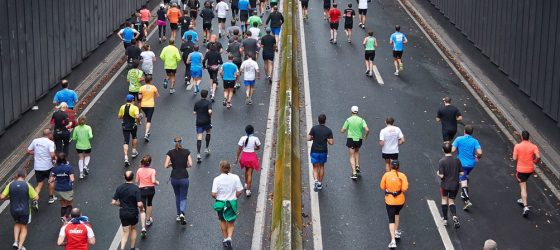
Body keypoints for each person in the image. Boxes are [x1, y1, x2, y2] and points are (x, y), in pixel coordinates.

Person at [0, 171, 39, 250]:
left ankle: (15, 241)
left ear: (17, 176)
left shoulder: (10, 184)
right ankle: (20, 247)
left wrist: (8, 198)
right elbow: (36, 197)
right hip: (25, 210)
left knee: (17, 223)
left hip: (13, 210)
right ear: (24, 176)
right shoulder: (27, 185)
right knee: (24, 227)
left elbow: (1, 197)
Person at [211, 161, 243, 249]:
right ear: (229, 168)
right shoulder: (235, 177)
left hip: (221, 203)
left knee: (222, 221)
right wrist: (236, 196)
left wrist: (217, 197)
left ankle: (225, 239)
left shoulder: (217, 179)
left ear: (220, 168)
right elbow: (240, 190)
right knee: (231, 222)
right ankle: (229, 238)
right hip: (231, 203)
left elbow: (213, 194)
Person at [452, 125, 482, 210]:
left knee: (463, 181)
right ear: (471, 132)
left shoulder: (459, 139)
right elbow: (480, 152)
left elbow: (452, 150)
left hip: (461, 164)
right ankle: (463, 191)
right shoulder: (475, 141)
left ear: (464, 131)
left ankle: (467, 200)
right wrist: (477, 157)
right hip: (471, 164)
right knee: (465, 176)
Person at [380, 160, 408, 249]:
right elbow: (404, 188)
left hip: (390, 201)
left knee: (391, 219)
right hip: (400, 201)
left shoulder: (386, 175)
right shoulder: (402, 176)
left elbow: (382, 187)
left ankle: (393, 241)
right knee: (397, 214)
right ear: (398, 167)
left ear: (391, 166)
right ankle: (396, 231)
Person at [112, 171, 143, 250]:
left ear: (124, 177)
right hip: (133, 213)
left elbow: (113, 202)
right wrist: (142, 209)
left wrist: (121, 205)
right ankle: (132, 248)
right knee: (133, 229)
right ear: (133, 177)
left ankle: (122, 248)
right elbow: (139, 204)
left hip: (123, 213)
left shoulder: (119, 188)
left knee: (125, 232)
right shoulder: (136, 188)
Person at [164, 136, 193, 224]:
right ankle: (182, 213)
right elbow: (190, 164)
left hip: (174, 178)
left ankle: (178, 214)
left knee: (177, 196)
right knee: (183, 197)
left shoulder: (170, 153)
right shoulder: (187, 152)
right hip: (184, 177)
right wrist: (184, 165)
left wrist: (172, 164)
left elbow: (166, 165)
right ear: (181, 142)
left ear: (174, 143)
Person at [513, 130, 540, 217]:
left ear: (522, 137)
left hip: (521, 170)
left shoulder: (517, 146)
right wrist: (535, 161)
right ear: (529, 137)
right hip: (530, 169)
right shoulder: (533, 146)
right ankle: (522, 199)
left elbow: (514, 158)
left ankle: (525, 206)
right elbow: (538, 156)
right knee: (524, 183)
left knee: (523, 187)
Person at [27, 128, 57, 206]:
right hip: (48, 166)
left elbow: (28, 151)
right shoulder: (50, 143)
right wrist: (54, 159)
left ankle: (35, 199)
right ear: (49, 134)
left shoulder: (35, 141)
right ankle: (51, 197)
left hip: (37, 167)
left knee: (39, 184)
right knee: (51, 181)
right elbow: (52, 155)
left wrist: (35, 153)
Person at [437, 142, 462, 228]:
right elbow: (462, 173)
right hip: (455, 185)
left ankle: (445, 219)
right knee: (451, 201)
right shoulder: (457, 160)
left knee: (444, 200)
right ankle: (454, 216)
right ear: (452, 150)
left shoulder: (442, 161)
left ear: (443, 150)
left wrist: (438, 173)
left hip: (445, 185)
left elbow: (442, 175)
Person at [340, 106, 369, 180]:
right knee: (357, 151)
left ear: (351, 111)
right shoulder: (361, 120)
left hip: (351, 139)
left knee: (351, 155)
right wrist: (365, 136)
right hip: (359, 139)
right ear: (357, 111)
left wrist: (344, 130)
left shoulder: (348, 120)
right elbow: (367, 129)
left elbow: (342, 130)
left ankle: (354, 172)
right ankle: (357, 165)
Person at [307, 114, 334, 192]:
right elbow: (331, 142)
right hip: (323, 151)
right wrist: (328, 139)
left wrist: (312, 137)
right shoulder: (328, 130)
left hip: (314, 150)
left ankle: (315, 180)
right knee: (322, 166)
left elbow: (308, 138)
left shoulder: (314, 128)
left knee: (315, 167)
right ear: (325, 120)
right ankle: (319, 183)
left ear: (318, 120)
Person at [136, 155, 160, 238]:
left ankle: (143, 227)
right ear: (150, 163)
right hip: (150, 190)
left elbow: (136, 181)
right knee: (149, 203)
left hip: (142, 190)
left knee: (142, 209)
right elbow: (153, 181)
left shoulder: (139, 170)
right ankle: (148, 220)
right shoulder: (152, 170)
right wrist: (157, 182)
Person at [235, 125, 261, 197]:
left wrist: (237, 158)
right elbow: (258, 147)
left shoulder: (242, 138)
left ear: (245, 131)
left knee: (246, 170)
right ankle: (248, 190)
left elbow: (239, 149)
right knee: (250, 173)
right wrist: (254, 148)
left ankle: (246, 184)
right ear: (253, 131)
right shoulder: (255, 138)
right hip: (252, 157)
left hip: (244, 157)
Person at [49, 153, 75, 223]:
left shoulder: (55, 168)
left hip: (58, 189)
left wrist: (56, 178)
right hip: (67, 188)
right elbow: (72, 179)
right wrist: (71, 184)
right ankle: (66, 217)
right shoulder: (69, 168)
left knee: (63, 205)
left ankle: (63, 218)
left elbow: (51, 180)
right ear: (65, 159)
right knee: (69, 204)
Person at [118, 94, 141, 167]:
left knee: (126, 141)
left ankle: (126, 157)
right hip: (133, 125)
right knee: (134, 137)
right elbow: (137, 116)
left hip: (125, 126)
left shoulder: (122, 107)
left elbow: (119, 116)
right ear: (132, 100)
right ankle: (134, 151)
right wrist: (138, 120)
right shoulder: (135, 108)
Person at [193, 90, 213, 163]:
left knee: (199, 137)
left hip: (199, 122)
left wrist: (198, 113)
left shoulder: (197, 103)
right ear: (207, 95)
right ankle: (207, 148)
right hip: (207, 121)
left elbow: (194, 112)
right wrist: (210, 115)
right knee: (208, 132)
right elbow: (210, 111)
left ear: (201, 95)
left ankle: (198, 154)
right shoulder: (208, 102)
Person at [139, 75, 160, 142]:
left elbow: (139, 97)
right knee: (149, 120)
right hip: (150, 105)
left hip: (143, 105)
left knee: (146, 116)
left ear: (145, 80)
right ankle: (146, 133)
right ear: (151, 81)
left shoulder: (141, 88)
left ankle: (147, 131)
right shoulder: (153, 87)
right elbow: (158, 95)